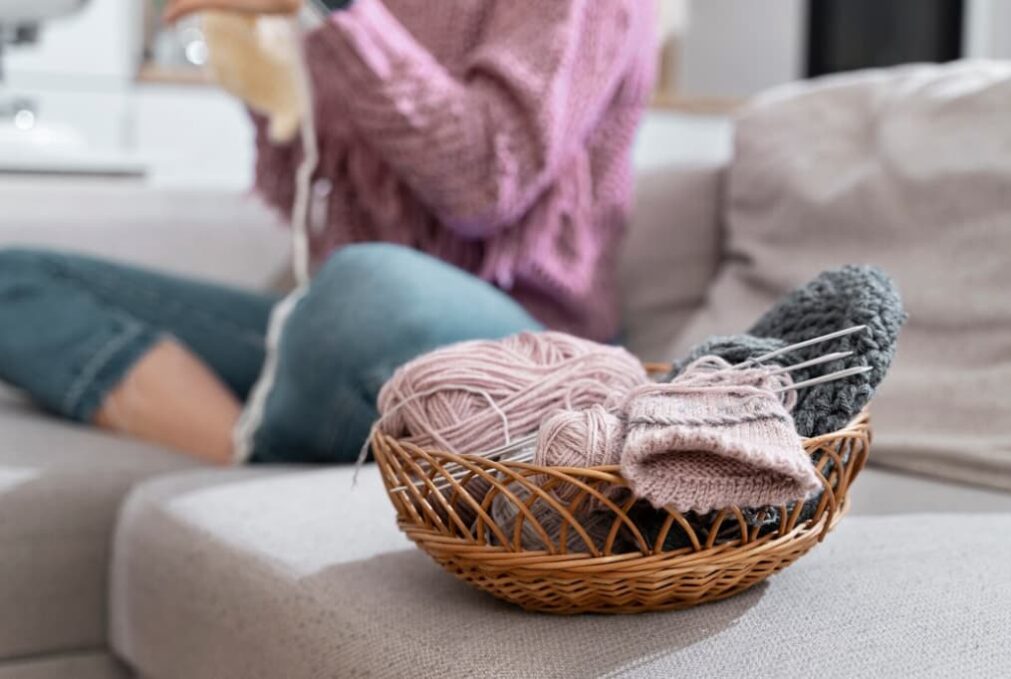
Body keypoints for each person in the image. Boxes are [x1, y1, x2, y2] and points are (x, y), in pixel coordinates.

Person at [0, 0, 658, 465]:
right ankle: (248, 452)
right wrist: (253, 52)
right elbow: (299, 192)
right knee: (14, 281)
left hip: (524, 348)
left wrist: (341, 9)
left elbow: (485, 181)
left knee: (365, 284)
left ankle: (281, 429)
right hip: (344, 331)